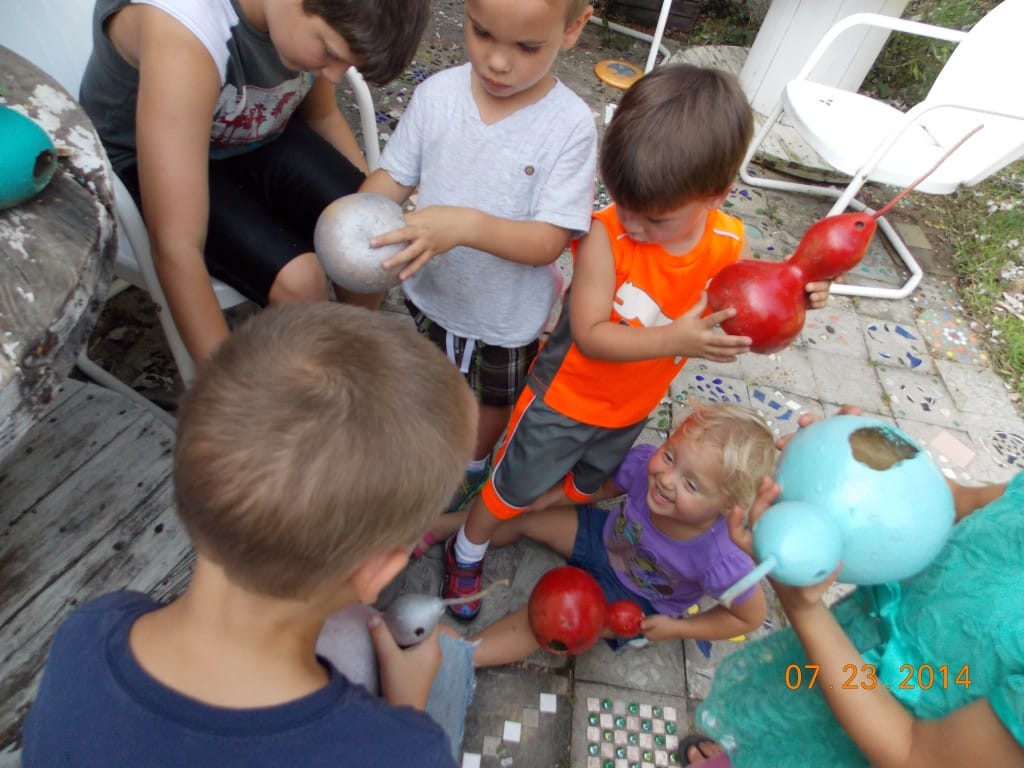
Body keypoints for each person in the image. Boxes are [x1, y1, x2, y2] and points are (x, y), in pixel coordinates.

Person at [441, 62, 833, 618]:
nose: (634, 223)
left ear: (715, 196)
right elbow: (594, 336)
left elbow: (746, 304)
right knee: (509, 487)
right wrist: (676, 336)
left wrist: (793, 296)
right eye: (623, 202)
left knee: (580, 484)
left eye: (655, 217)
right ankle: (468, 545)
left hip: (630, 408)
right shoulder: (608, 235)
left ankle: (523, 519)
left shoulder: (727, 239)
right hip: (563, 403)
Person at [20, 303, 479, 767]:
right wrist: (407, 713)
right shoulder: (402, 750)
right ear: (378, 570)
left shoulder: (89, 631)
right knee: (448, 665)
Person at [79, 0, 430, 367]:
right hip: (148, 157)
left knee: (375, 244)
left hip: (250, 132)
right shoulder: (186, 30)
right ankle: (310, 393)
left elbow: (322, 113)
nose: (334, 75)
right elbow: (176, 247)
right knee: (300, 280)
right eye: (329, 52)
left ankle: (349, 354)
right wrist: (222, 397)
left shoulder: (296, 22)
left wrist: (363, 214)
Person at [359, 0, 598, 515]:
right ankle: (431, 438)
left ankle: (469, 464)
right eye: (482, 32)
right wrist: (357, 212)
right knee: (430, 372)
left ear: (575, 27)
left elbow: (548, 241)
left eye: (527, 47)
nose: (496, 61)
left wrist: (466, 225)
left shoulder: (570, 126)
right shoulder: (437, 96)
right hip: (433, 290)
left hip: (503, 315)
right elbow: (395, 177)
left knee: (489, 400)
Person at [680, 412, 1024, 768]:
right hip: (834, 667)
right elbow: (955, 505)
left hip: (860, 747)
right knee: (773, 734)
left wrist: (804, 610)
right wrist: (870, 456)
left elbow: (915, 755)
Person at [460, 402, 774, 667]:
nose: (665, 480)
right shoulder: (645, 469)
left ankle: (461, 657)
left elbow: (749, 618)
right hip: (603, 538)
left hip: (637, 601)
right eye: (669, 456)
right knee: (526, 515)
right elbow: (602, 488)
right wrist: (554, 498)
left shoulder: (722, 559)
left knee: (549, 620)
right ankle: (444, 532)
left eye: (691, 484)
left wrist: (679, 628)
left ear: (727, 506)